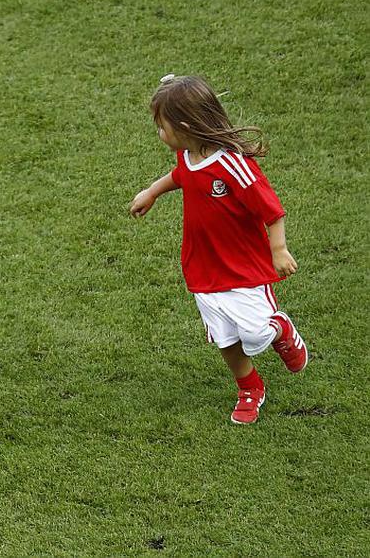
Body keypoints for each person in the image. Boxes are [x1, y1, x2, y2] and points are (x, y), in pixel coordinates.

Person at [129, 74, 309, 425]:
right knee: (225, 336)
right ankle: (249, 388)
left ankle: (281, 330)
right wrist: (152, 192)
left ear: (183, 126)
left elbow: (271, 209)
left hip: (243, 268)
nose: (159, 134)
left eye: (162, 127)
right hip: (202, 267)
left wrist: (279, 249)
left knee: (256, 332)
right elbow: (180, 176)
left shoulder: (233, 165)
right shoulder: (189, 155)